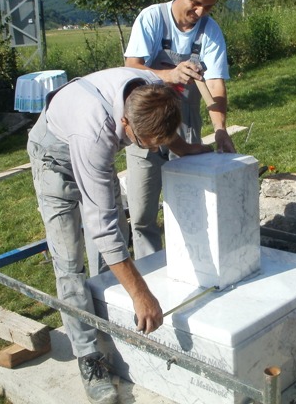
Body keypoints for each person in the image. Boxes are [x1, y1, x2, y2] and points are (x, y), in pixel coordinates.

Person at [27, 67, 211, 404]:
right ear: (126, 125)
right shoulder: (95, 134)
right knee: (70, 262)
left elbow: (111, 235)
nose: (155, 150)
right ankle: (89, 358)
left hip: (92, 143)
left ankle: (109, 326)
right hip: (57, 158)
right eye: (148, 145)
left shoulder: (154, 92)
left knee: (112, 249)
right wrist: (141, 294)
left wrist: (182, 146)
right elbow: (103, 228)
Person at [124, 0, 236, 259]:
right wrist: (170, 74)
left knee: (191, 203)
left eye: (208, 7)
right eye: (195, 3)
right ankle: (149, 271)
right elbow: (131, 69)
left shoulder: (210, 31)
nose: (200, 13)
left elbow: (216, 85)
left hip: (185, 127)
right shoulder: (152, 19)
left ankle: (191, 263)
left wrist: (221, 129)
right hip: (144, 128)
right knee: (142, 213)